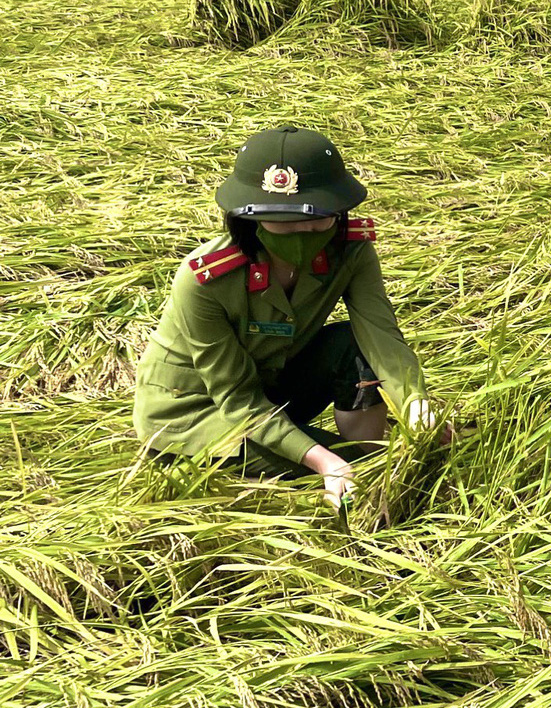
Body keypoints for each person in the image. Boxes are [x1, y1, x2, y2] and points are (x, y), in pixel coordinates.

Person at [133, 127, 446, 507]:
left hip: (274, 382)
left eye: (316, 220)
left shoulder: (350, 253)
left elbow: (380, 334)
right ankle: (346, 469)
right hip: (199, 414)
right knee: (365, 468)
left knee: (355, 351)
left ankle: (360, 453)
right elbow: (237, 399)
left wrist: (416, 405)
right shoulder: (206, 280)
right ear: (247, 219)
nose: (300, 232)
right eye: (281, 221)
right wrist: (325, 462)